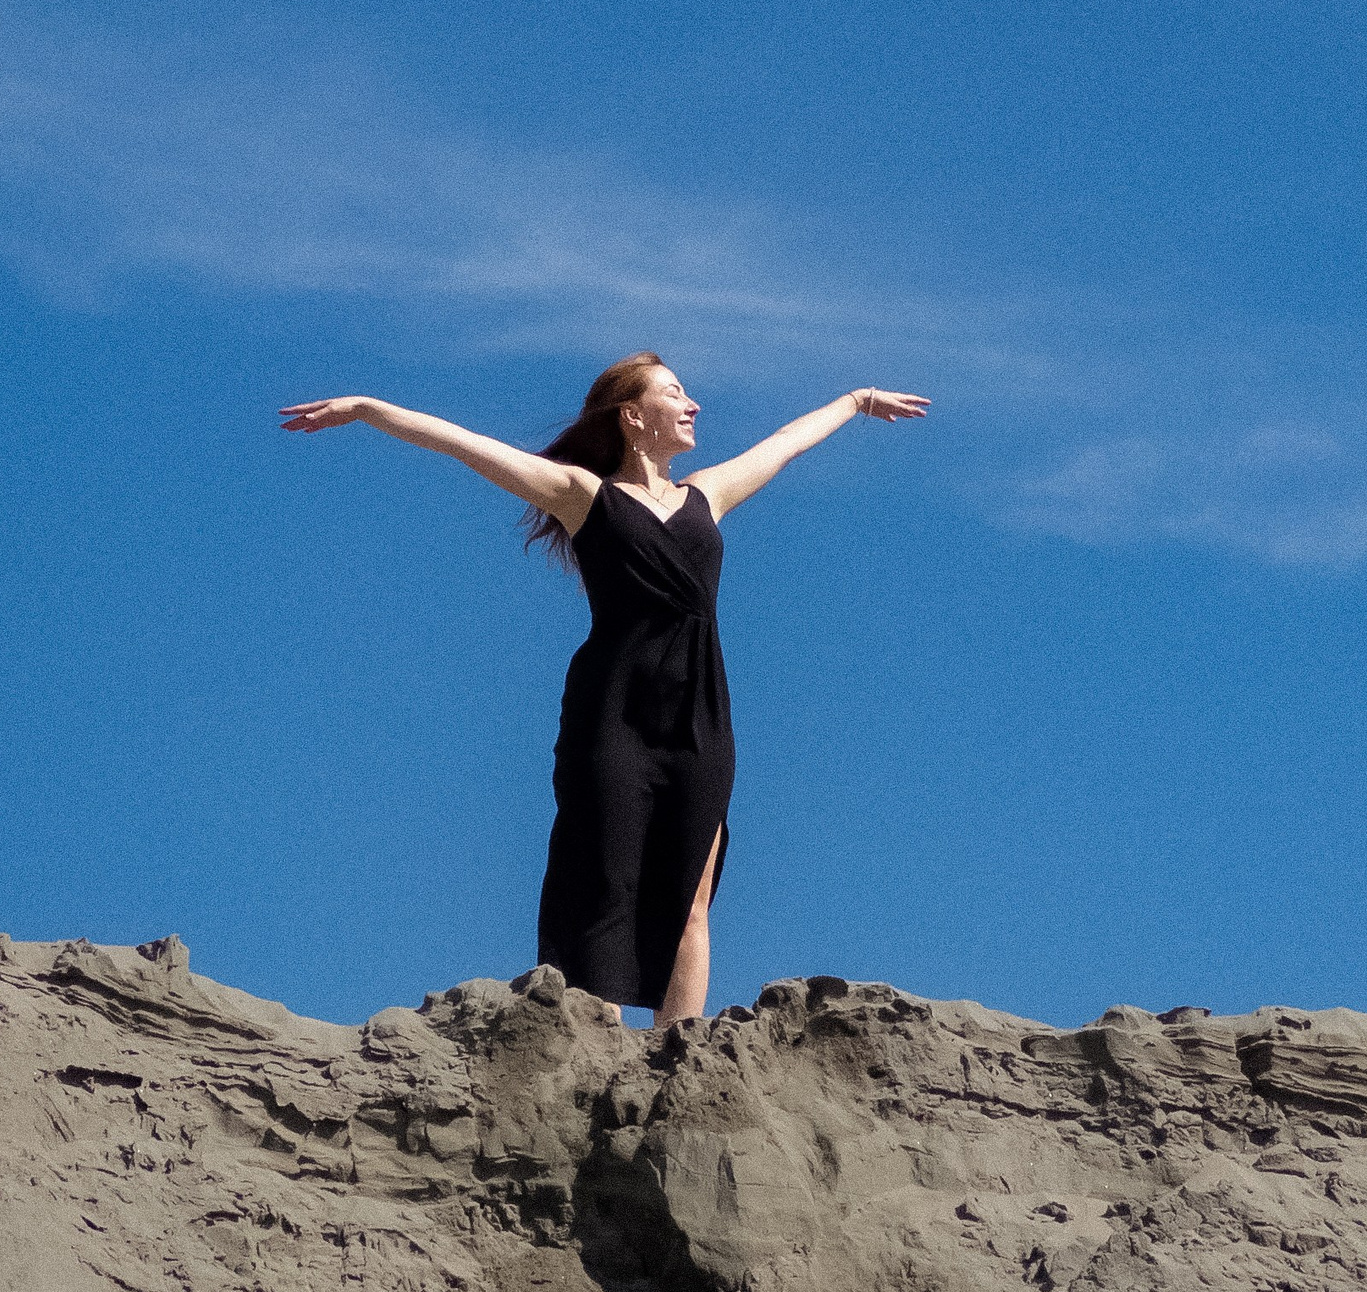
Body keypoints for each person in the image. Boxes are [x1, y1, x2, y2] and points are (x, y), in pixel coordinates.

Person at [278, 359, 928, 1029]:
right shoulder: (584, 495)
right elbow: (466, 445)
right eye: (674, 392)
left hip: (701, 718)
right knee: (606, 889)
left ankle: (680, 1057)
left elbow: (786, 443)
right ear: (633, 415)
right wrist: (368, 408)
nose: (693, 404)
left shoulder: (707, 494)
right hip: (613, 715)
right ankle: (597, 1050)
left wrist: (856, 400)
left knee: (691, 898)